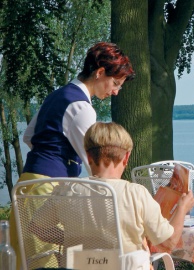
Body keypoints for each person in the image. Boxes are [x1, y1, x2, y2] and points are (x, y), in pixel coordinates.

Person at [10, 42, 135, 269]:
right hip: (47, 190)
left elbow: (29, 136)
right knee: (43, 264)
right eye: (115, 83)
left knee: (25, 261)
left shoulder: (57, 95)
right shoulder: (81, 107)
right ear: (99, 73)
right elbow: (96, 163)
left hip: (28, 183)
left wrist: (51, 157)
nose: (116, 91)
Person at [29, 122, 194, 268]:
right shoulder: (135, 194)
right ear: (126, 157)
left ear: (88, 156)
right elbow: (168, 243)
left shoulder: (66, 190)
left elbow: (36, 227)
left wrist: (71, 238)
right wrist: (182, 207)